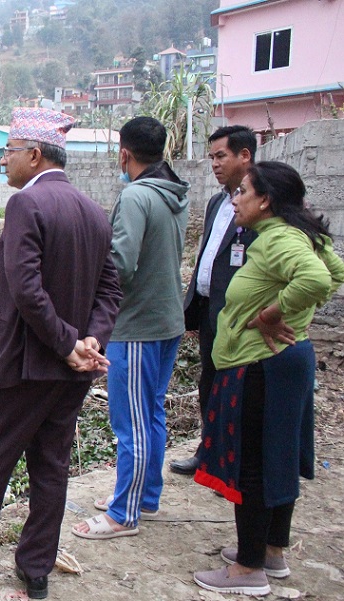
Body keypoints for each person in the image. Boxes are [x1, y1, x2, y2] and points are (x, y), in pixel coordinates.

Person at [0, 107, 122, 599]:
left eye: (9, 152)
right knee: (51, 467)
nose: (5, 161)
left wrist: (67, 345)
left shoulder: (27, 206)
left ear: (34, 155)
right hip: (70, 372)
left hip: (22, 366)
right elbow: (110, 289)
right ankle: (35, 569)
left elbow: (26, 289)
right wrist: (90, 341)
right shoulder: (93, 209)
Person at [192, 161, 344, 596]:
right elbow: (334, 273)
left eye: (243, 192)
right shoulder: (295, 237)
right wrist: (296, 310)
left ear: (266, 202)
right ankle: (272, 552)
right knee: (279, 455)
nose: (235, 199)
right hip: (285, 362)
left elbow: (316, 278)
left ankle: (247, 570)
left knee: (253, 463)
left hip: (260, 365)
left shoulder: (277, 239)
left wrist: (273, 313)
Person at [72, 116, 190, 540]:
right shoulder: (175, 193)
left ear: (124, 153)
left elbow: (120, 264)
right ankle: (145, 496)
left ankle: (124, 514)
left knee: (130, 423)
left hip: (137, 326)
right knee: (152, 413)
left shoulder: (137, 196)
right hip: (168, 321)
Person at [170, 126, 258, 476]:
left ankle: (234, 459)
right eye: (212, 158)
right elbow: (209, 253)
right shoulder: (217, 201)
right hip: (210, 309)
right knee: (209, 380)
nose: (215, 164)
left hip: (243, 314)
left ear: (245, 155)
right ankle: (209, 451)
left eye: (221, 156)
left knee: (239, 384)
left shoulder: (264, 200)